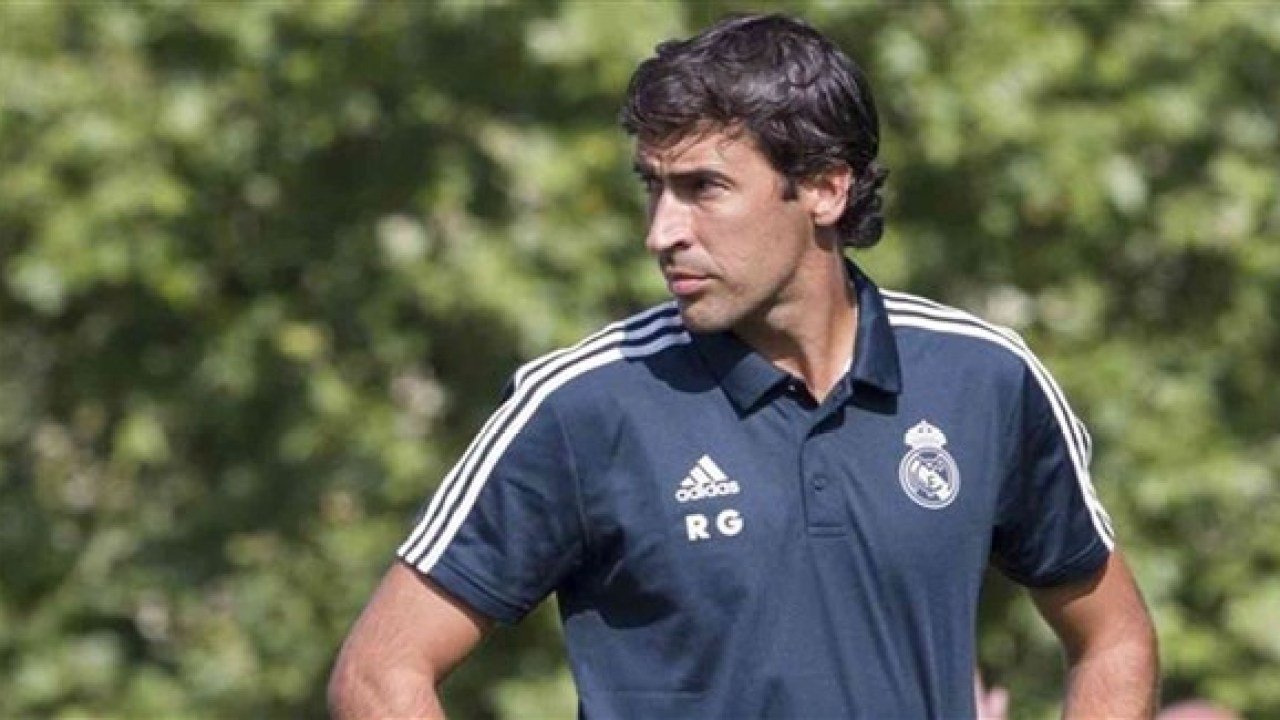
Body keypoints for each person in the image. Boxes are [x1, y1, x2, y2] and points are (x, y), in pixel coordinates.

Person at [328, 13, 1158, 719]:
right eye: (653, 187)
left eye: (703, 188)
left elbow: (1113, 639)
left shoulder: (984, 378)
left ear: (825, 189)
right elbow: (379, 674)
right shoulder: (584, 405)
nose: (662, 231)